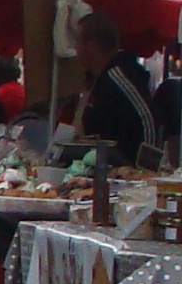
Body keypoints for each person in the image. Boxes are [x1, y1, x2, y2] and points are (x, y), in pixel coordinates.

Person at [69, 11, 164, 167]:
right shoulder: (95, 82)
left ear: (90, 45)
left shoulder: (120, 76)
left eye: (77, 42)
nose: (75, 49)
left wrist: (146, 168)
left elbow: (148, 119)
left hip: (131, 170)